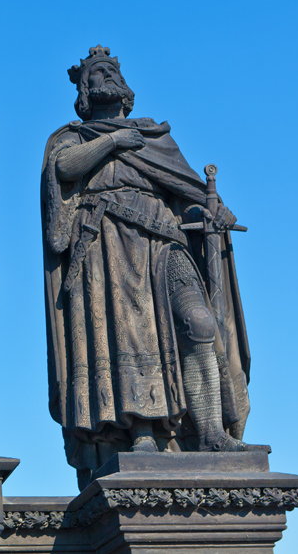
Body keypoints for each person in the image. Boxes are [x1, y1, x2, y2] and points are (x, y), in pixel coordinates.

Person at [41, 45, 265, 489]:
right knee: (128, 338)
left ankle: (211, 431)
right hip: (108, 247)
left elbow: (187, 191)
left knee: (199, 323)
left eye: (108, 71)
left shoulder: (153, 136)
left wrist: (213, 213)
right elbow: (63, 169)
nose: (102, 78)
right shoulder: (73, 137)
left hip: (165, 243)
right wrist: (111, 142)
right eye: (94, 75)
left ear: (124, 88)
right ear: (84, 92)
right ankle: (141, 431)